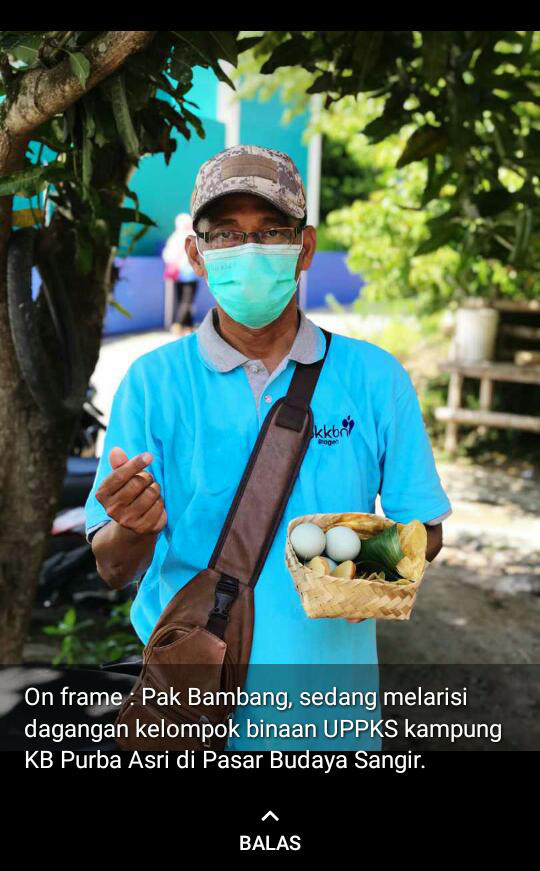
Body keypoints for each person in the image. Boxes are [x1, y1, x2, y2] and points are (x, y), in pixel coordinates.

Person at [84, 144, 452, 750]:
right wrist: (134, 526)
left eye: (271, 231)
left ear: (304, 248)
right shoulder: (152, 383)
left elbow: (426, 526)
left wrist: (376, 566)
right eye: (224, 234)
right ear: (195, 254)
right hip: (190, 720)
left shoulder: (374, 377)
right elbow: (113, 565)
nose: (248, 251)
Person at [162, 212, 198, 335]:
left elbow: (167, 255)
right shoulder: (192, 236)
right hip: (190, 273)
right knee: (187, 301)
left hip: (177, 274)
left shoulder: (174, 236)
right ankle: (178, 324)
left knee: (181, 300)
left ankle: (189, 326)